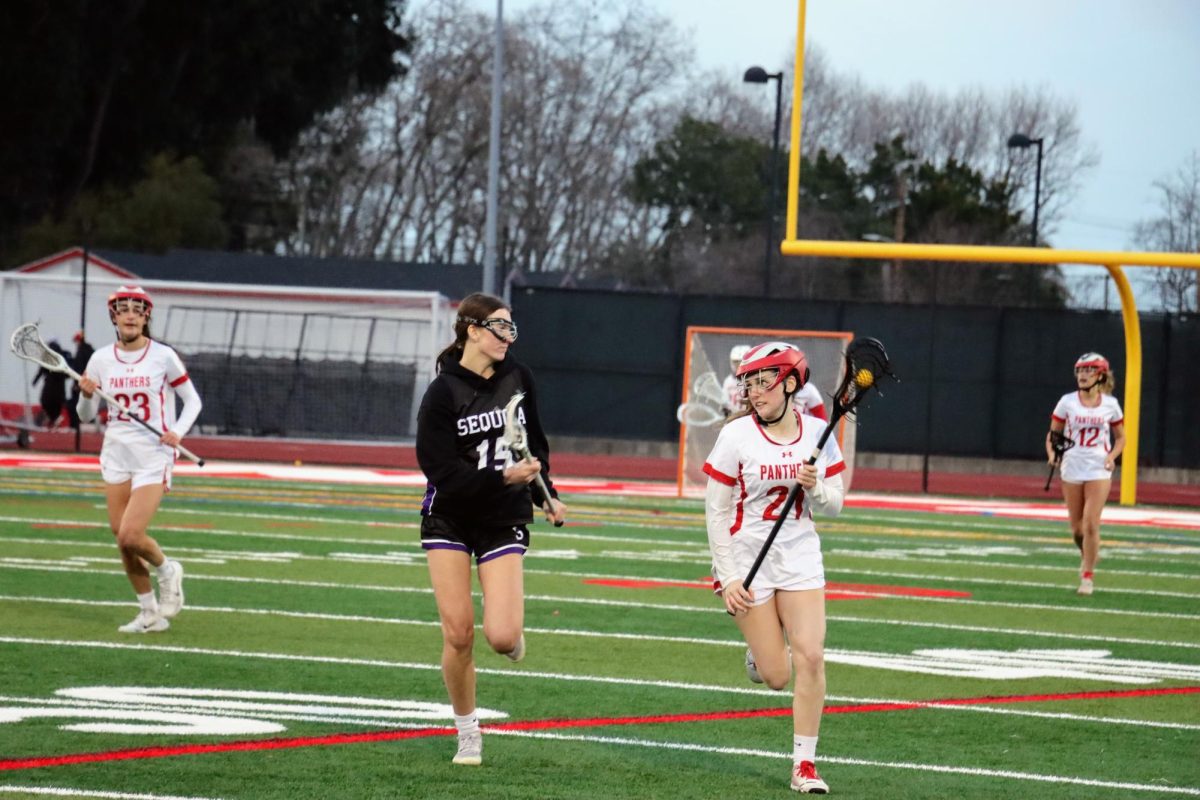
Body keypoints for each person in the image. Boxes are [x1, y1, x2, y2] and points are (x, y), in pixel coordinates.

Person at [415, 291, 566, 766]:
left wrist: (546, 493)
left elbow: (534, 444)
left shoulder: (519, 377)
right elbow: (440, 472)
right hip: (451, 514)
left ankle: (511, 632)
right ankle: (468, 731)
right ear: (472, 331)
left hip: (503, 515)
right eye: (499, 327)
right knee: (458, 634)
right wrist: (503, 477)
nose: (508, 336)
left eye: (511, 327)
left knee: (501, 638)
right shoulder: (442, 393)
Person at [703, 342, 845, 794]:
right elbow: (716, 512)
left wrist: (816, 486)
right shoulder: (736, 435)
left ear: (789, 383)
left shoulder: (819, 432)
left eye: (763, 381)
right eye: (749, 382)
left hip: (800, 554)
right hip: (747, 560)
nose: (754, 391)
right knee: (777, 676)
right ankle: (760, 653)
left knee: (812, 656)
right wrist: (727, 577)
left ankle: (804, 766)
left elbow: (836, 505)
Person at [76, 286, 202, 633]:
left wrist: (177, 431)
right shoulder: (100, 359)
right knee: (121, 538)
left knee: (132, 534)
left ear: (146, 316)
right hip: (116, 453)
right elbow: (86, 416)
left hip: (153, 454)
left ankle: (167, 570)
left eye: (136, 309)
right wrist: (86, 396)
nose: (130, 315)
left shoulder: (163, 356)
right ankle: (149, 613)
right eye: (123, 309)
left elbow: (193, 401)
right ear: (114, 316)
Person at [1047, 352, 1125, 596]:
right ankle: (1088, 554)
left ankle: (1087, 576)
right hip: (1072, 466)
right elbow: (1053, 435)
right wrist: (1052, 454)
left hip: (1098, 468)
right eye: (1080, 370)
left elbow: (1121, 437)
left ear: (1100, 375)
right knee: (1077, 530)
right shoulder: (1067, 401)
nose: (1082, 375)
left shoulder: (1110, 404)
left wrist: (1112, 457)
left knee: (1091, 523)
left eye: (1089, 370)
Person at [32, 340, 70, 428]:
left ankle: (54, 419)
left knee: (46, 402)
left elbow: (41, 370)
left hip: (51, 385)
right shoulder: (61, 357)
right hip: (58, 386)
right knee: (55, 404)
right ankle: (54, 419)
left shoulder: (50, 357)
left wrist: (35, 380)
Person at [68, 331, 95, 430]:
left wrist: (76, 383)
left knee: (75, 404)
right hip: (91, 382)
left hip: (82, 382)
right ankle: (90, 423)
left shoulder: (81, 352)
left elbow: (78, 368)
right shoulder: (91, 351)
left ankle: (76, 425)